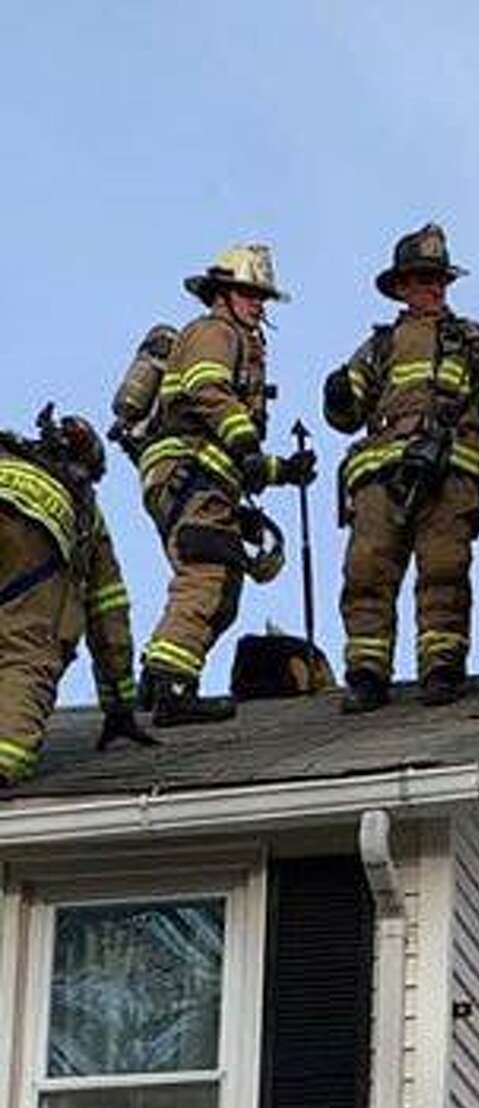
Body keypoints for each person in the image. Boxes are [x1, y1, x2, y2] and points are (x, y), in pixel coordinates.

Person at [322, 224, 479, 712]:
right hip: (383, 475)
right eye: (424, 279)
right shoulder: (378, 347)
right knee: (367, 570)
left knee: (445, 568)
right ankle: (366, 674)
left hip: (449, 471)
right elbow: (345, 415)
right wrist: (337, 394)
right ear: (401, 286)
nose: (434, 288)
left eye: (440, 279)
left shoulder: (473, 340)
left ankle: (442, 667)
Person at [136, 243, 315, 726]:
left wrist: (283, 470)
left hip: (199, 476)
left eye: (262, 296)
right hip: (189, 475)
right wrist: (247, 445)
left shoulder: (237, 339)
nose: (258, 304)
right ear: (222, 293)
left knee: (222, 585)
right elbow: (207, 391)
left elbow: (237, 458)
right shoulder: (214, 332)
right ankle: (173, 689)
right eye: (249, 293)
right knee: (207, 576)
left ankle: (156, 679)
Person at [0, 408, 154, 786]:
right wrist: (119, 705)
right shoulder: (84, 509)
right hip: (31, 559)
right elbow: (108, 615)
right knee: (28, 653)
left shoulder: (10, 458)